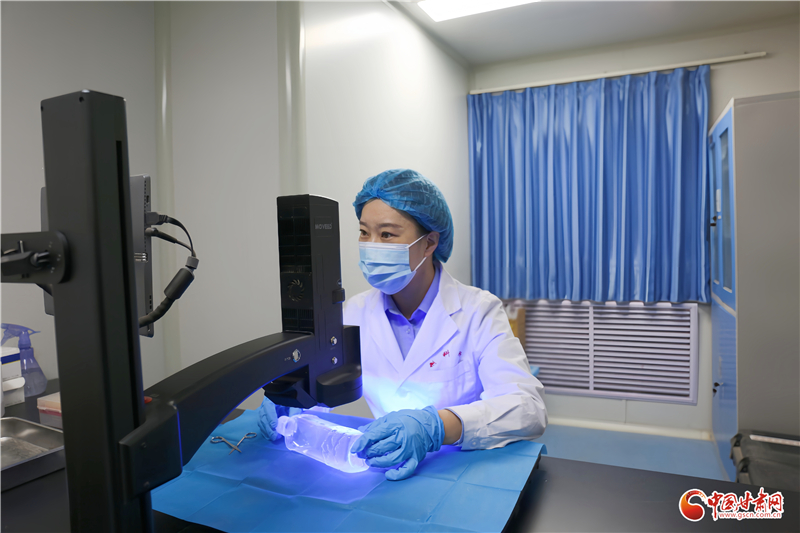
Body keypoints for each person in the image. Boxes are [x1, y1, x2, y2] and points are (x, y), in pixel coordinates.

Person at [258, 169, 547, 480]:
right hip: (386, 467)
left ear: (429, 242)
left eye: (387, 235)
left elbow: (527, 408)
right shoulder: (352, 312)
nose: (371, 246)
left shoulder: (478, 311)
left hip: (463, 470)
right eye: (364, 232)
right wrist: (297, 401)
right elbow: (327, 384)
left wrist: (435, 427)